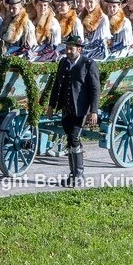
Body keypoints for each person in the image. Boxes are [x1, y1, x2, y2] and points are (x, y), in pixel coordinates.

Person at [47, 37, 100, 187]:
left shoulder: (88, 64)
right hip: (66, 108)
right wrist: (51, 105)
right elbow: (57, 85)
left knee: (74, 138)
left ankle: (79, 175)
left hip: (81, 110)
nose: (68, 51)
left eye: (72, 48)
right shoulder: (63, 63)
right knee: (70, 140)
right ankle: (73, 175)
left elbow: (95, 89)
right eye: (67, 48)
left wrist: (94, 111)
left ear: (79, 49)